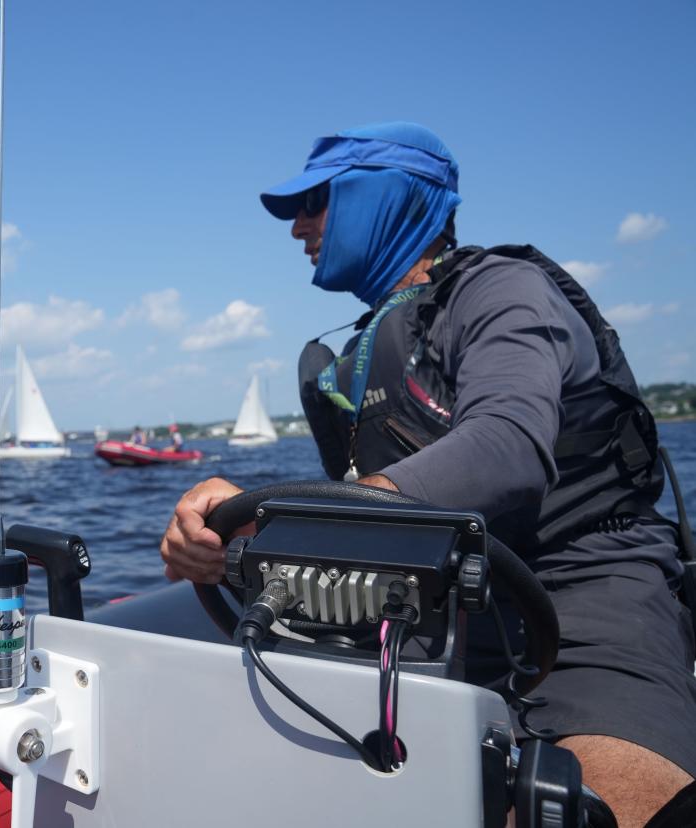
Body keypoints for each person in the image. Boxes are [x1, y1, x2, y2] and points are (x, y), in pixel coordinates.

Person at [159, 122, 695, 826]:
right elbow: (364, 523)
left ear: (387, 197)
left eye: (315, 201)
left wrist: (316, 518)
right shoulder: (355, 355)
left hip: (580, 596)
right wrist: (211, 549)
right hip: (421, 610)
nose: (298, 228)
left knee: (602, 805)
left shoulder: (504, 291)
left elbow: (506, 443)